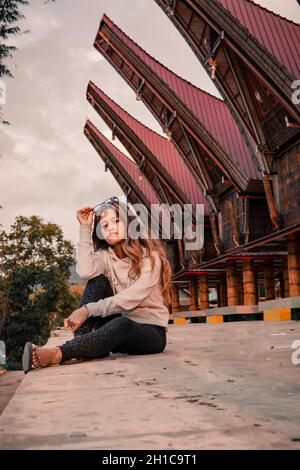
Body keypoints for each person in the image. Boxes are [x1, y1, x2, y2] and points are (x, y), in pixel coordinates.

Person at [22, 197, 172, 373]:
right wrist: (85, 228)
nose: (111, 228)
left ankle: (58, 353)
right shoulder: (105, 257)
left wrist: (86, 310)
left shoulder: (150, 258)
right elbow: (85, 271)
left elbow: (129, 300)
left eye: (116, 221)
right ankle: (86, 345)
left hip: (149, 334)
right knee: (97, 281)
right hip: (114, 331)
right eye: (105, 226)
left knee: (123, 323)